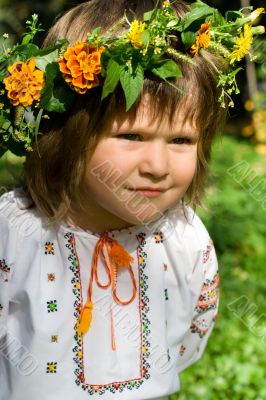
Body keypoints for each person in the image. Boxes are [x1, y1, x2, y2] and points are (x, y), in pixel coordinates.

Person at [0, 1, 264, 399]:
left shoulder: (185, 239)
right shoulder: (15, 235)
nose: (157, 165)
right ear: (66, 130)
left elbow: (194, 331)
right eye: (131, 136)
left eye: (181, 140)